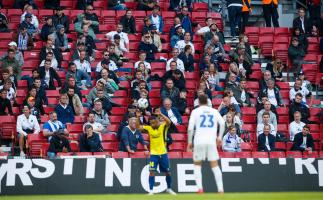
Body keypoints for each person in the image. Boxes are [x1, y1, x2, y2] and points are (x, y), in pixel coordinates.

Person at [187, 94, 225, 194]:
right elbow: (222, 123)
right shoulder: (214, 111)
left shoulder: (195, 111)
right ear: (208, 102)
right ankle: (220, 189)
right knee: (215, 165)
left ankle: (200, 188)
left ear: (198, 102)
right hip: (211, 141)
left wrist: (190, 142)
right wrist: (219, 137)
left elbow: (190, 128)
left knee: (197, 165)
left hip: (199, 141)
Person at [136, 108, 177, 195]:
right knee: (151, 172)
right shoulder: (149, 128)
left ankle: (169, 188)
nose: (153, 124)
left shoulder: (163, 126)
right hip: (153, 155)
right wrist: (137, 117)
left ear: (158, 121)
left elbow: (169, 122)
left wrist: (161, 114)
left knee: (167, 172)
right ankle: (151, 190)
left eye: (154, 122)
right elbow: (138, 127)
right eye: (151, 123)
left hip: (163, 154)